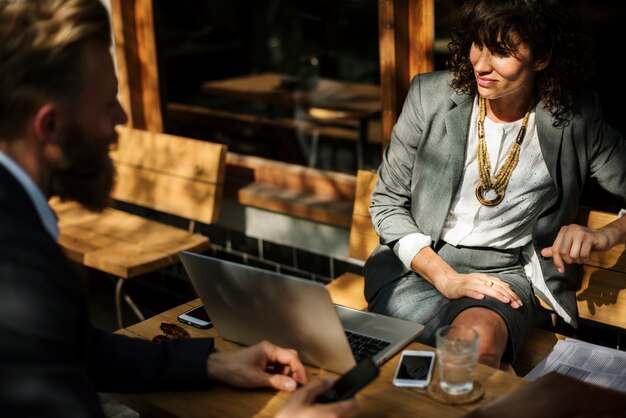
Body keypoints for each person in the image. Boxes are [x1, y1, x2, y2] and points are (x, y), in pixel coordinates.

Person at [0, 1, 357, 417]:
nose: (122, 117)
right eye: (107, 104)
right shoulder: (19, 271)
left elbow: (79, 347)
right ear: (49, 126)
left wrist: (209, 363)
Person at [364, 0, 626, 373]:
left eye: (501, 52)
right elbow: (386, 203)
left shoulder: (575, 118)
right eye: (477, 44)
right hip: (418, 268)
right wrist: (446, 278)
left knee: (474, 357)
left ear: (542, 57)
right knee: (427, 370)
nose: (481, 65)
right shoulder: (430, 96)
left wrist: (606, 236)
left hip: (501, 274)